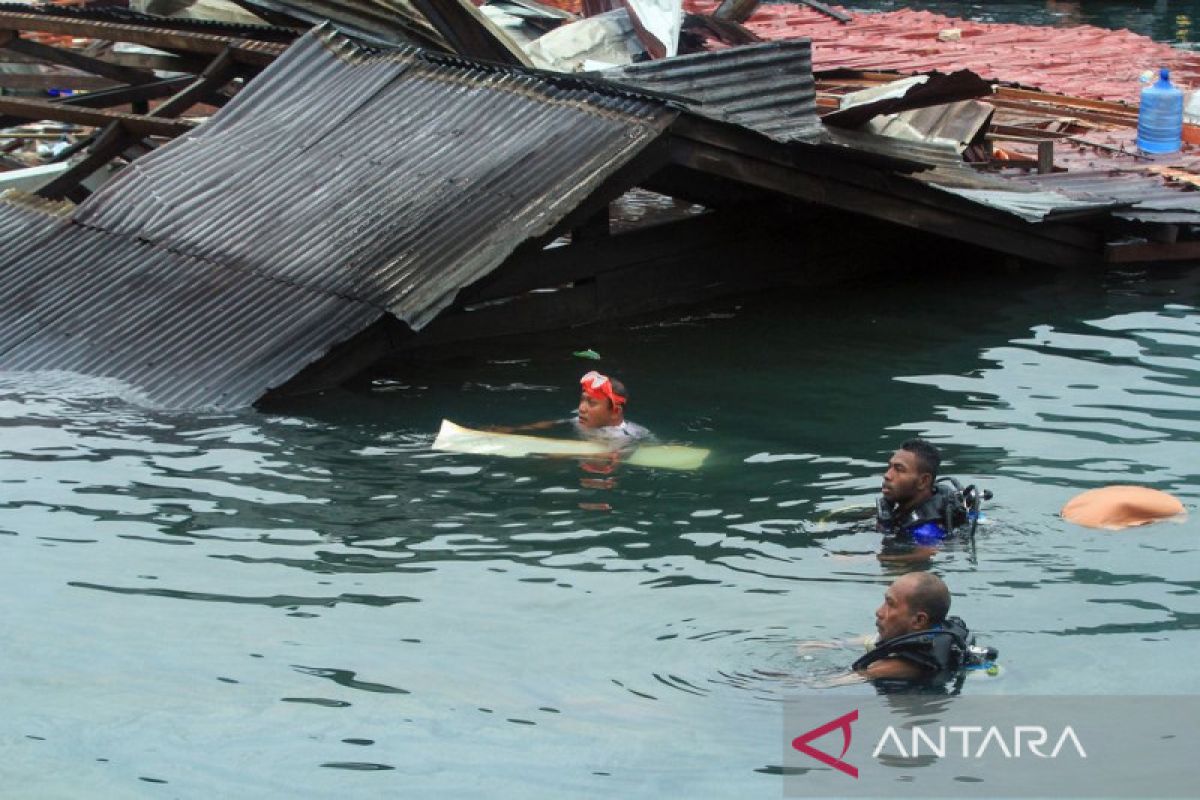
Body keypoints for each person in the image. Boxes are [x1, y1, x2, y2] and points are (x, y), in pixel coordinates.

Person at [852, 573, 983, 683]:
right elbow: (870, 640)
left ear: (919, 620)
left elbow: (835, 681)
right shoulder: (938, 631)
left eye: (890, 604)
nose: (879, 612)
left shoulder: (887, 669)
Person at [876, 439, 969, 545]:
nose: (887, 475)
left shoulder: (925, 532)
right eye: (890, 467)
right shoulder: (908, 505)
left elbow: (925, 553)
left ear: (923, 481)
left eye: (899, 469)